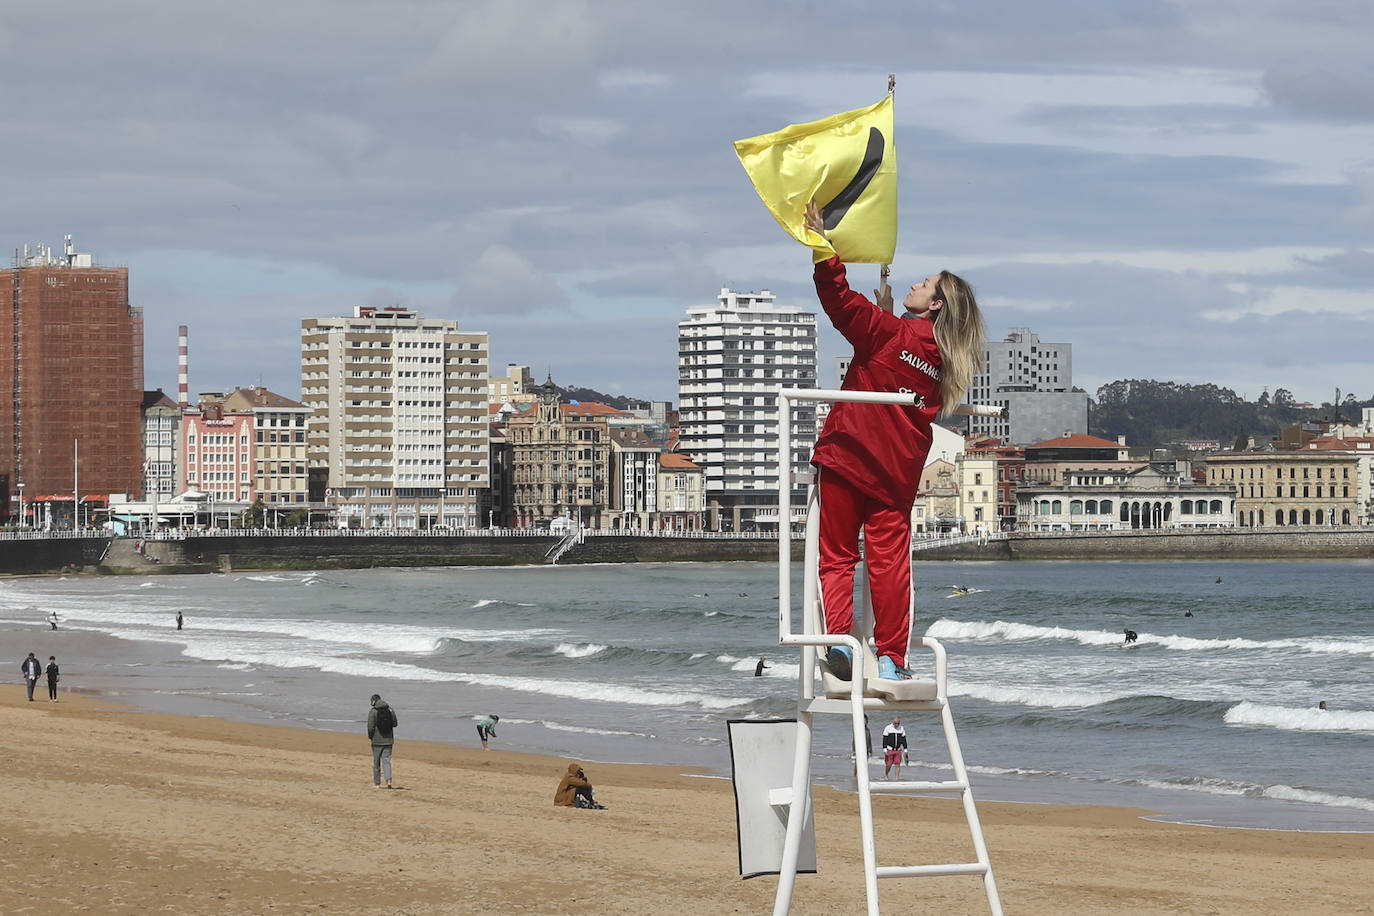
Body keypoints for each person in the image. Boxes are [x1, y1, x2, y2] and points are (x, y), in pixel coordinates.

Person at [804, 200, 986, 682]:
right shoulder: (947, 364)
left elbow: (839, 300)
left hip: (848, 454)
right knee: (889, 567)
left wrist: (823, 246)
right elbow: (906, 353)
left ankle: (840, 641)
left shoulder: (887, 334)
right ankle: (891, 659)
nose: (913, 284)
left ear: (937, 304)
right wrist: (892, 319)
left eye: (923, 285)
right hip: (895, 474)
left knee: (838, 556)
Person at [367, 694, 398, 788]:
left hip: (376, 741)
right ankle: (389, 781)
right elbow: (395, 724)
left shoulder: (373, 711)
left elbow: (370, 727)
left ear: (373, 701)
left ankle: (377, 784)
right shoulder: (390, 710)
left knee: (376, 762)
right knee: (387, 761)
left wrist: (370, 736)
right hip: (388, 740)